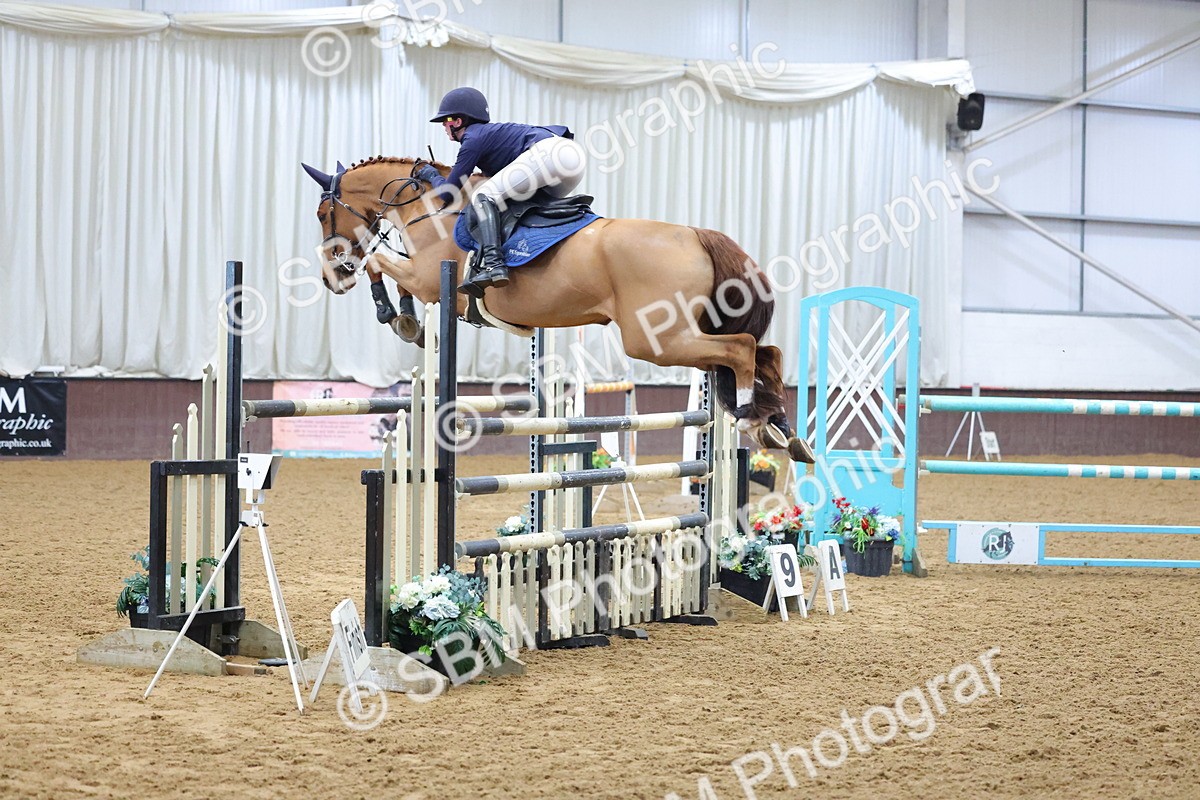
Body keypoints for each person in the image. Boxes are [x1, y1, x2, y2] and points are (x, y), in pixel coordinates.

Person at [414, 87, 587, 297]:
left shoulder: (472, 138)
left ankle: (493, 264)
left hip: (549, 154)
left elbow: (448, 193)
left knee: (482, 196)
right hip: (573, 159)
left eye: (445, 121)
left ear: (457, 121)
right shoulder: (490, 136)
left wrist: (432, 175)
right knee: (522, 206)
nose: (443, 126)